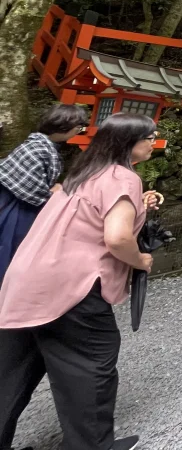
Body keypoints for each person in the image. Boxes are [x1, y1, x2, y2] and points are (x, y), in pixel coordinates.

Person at [0, 113, 162, 450]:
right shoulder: (123, 177)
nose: (154, 141)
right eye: (150, 135)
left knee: (12, 371)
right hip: (71, 286)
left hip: (25, 280)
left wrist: (141, 205)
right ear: (128, 141)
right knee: (91, 362)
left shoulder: (84, 172)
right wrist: (141, 260)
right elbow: (117, 237)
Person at [0, 104, 88, 283]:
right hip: (18, 206)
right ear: (65, 126)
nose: (78, 131)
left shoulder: (38, 143)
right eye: (78, 128)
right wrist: (52, 193)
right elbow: (30, 188)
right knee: (11, 249)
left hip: (13, 201)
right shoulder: (39, 148)